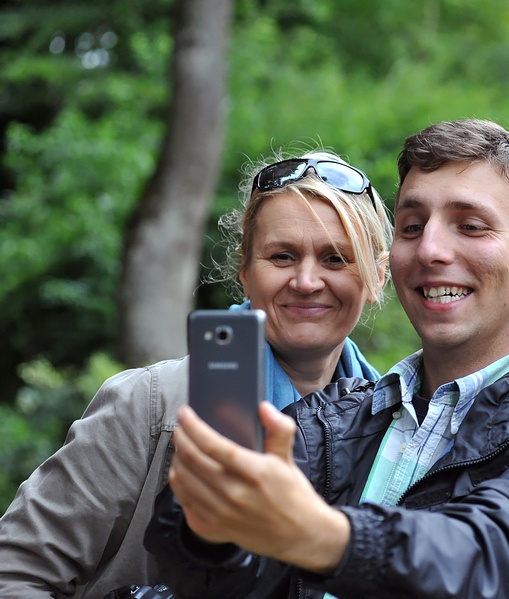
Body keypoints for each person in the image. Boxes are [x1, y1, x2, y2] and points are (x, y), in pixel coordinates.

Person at [144, 118, 509, 598]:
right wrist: (207, 521)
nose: (430, 249)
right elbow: (203, 569)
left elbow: (498, 557)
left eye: (470, 225)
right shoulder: (335, 417)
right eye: (411, 225)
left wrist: (325, 536)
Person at [0, 149, 393, 598]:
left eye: (335, 259)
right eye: (282, 256)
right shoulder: (150, 405)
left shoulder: (400, 431)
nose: (306, 281)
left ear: (377, 275)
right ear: (245, 270)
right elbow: (14, 574)